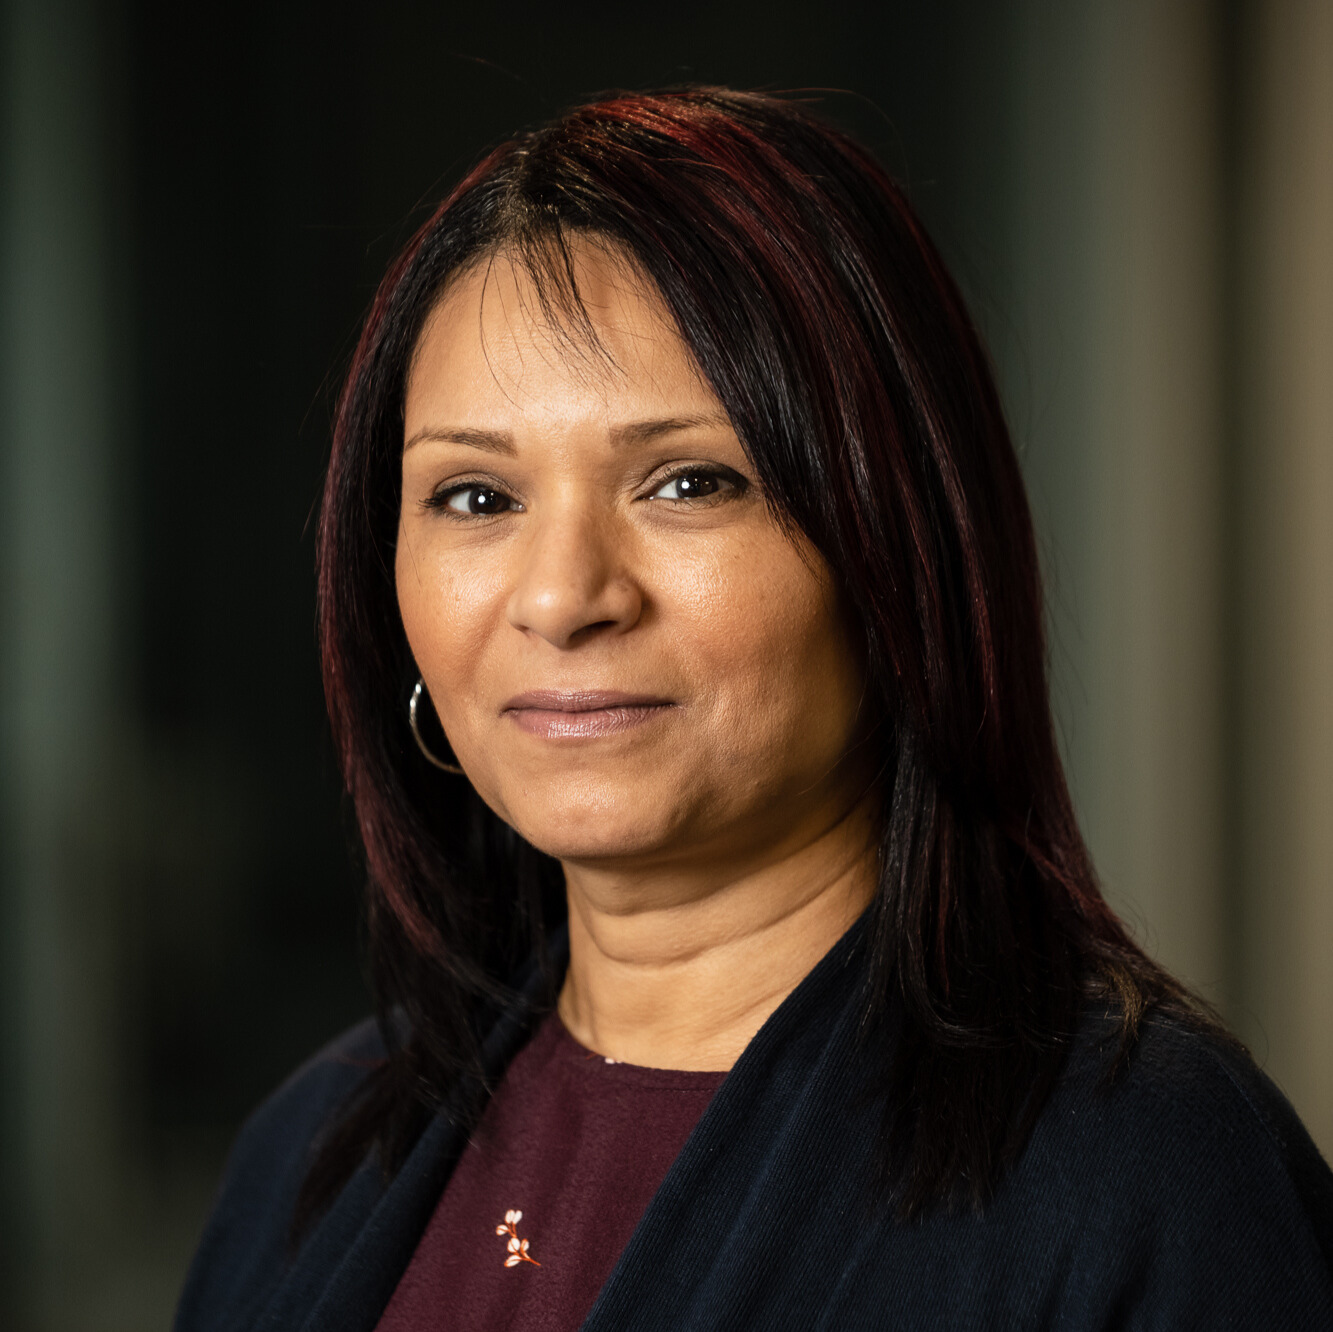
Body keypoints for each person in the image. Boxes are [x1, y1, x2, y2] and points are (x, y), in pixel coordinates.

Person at [174, 88, 1333, 1331]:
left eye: (689, 481)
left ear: (896, 555)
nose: (564, 598)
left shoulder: (1140, 1174)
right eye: (473, 497)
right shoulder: (311, 1152)